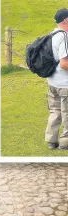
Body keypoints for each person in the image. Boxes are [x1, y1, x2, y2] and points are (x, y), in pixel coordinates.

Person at [45, 8, 68, 150]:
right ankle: (65, 142)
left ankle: (51, 141)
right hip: (64, 83)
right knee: (67, 113)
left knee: (55, 112)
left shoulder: (52, 35)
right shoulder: (64, 36)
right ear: (66, 20)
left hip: (51, 82)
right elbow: (64, 62)